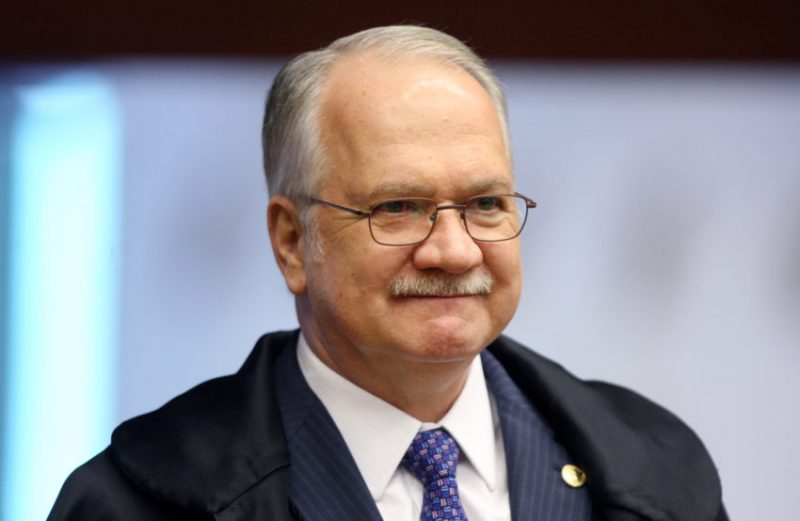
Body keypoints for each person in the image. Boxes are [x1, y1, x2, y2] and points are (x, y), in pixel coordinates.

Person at [48, 25, 727, 521]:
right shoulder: (131, 503)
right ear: (292, 241)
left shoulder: (656, 473)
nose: (455, 251)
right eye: (398, 208)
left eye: (486, 204)